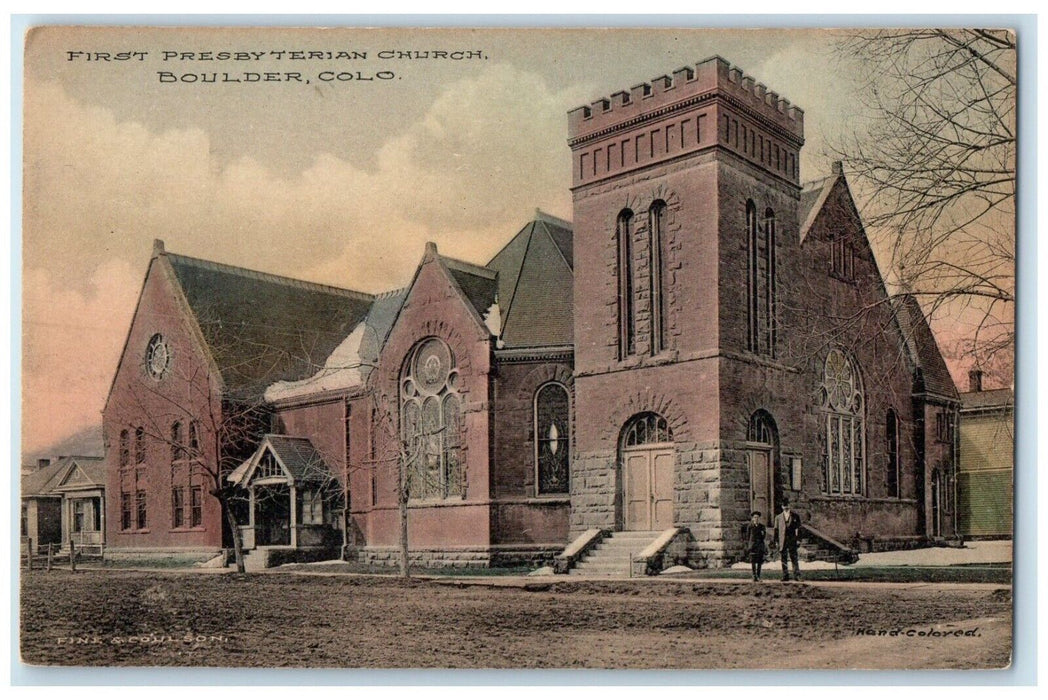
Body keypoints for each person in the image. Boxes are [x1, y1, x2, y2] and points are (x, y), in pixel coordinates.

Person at [773, 499, 802, 581]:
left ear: (789, 505)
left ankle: (797, 575)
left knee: (794, 558)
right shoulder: (778, 517)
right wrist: (776, 541)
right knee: (783, 558)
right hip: (782, 540)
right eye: (784, 505)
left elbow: (799, 529)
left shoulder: (795, 516)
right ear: (782, 507)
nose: (786, 507)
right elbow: (776, 530)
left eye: (787, 505)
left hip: (792, 540)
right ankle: (785, 575)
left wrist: (799, 539)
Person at [744, 511, 767, 581]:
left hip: (759, 545)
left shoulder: (762, 526)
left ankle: (759, 575)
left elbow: (763, 536)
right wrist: (749, 545)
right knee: (753, 561)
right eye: (755, 517)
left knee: (759, 562)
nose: (756, 519)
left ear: (759, 518)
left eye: (757, 517)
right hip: (753, 546)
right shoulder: (750, 526)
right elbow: (748, 537)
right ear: (752, 518)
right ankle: (754, 576)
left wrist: (762, 535)